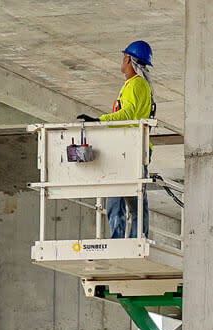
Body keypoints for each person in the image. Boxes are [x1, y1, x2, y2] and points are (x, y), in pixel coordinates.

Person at [78, 40, 155, 239]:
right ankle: (124, 238)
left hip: (131, 148)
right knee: (119, 197)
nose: (121, 62)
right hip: (127, 147)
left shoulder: (137, 84)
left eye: (123, 58)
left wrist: (100, 120)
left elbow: (128, 113)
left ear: (129, 60)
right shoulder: (135, 84)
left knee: (131, 199)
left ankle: (134, 238)